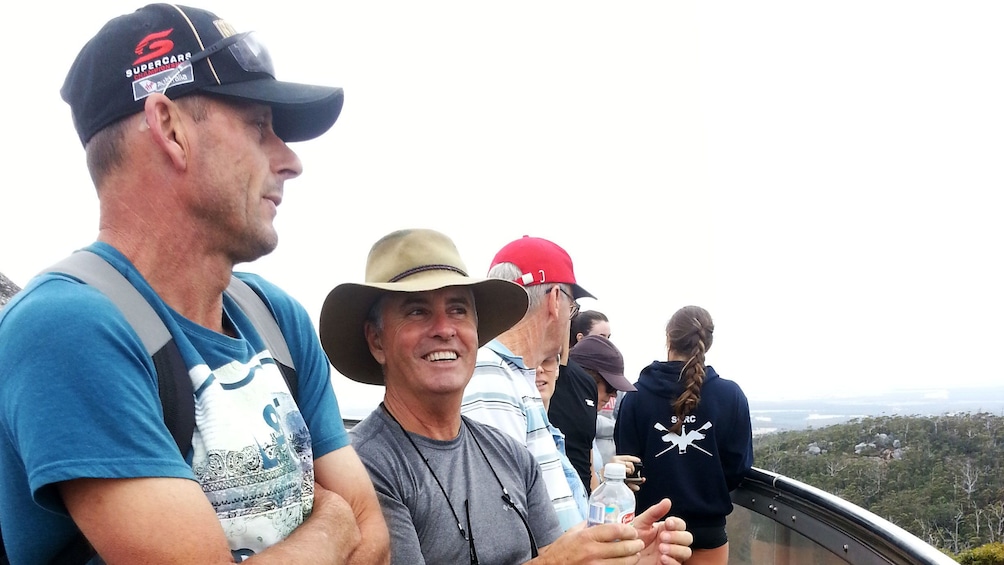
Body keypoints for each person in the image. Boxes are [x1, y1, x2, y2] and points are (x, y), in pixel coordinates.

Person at [0, 4, 388, 563]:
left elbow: (374, 536)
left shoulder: (275, 318)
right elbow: (351, 520)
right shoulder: (65, 330)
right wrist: (331, 522)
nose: (290, 161)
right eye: (260, 127)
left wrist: (351, 526)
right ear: (170, 129)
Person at [318, 228, 693, 565]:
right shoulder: (365, 470)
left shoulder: (511, 455)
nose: (445, 328)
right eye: (417, 311)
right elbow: (553, 560)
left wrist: (626, 557)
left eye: (458, 309)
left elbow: (556, 554)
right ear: (376, 339)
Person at [461, 235, 590, 531]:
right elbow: (504, 524)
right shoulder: (490, 377)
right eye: (573, 307)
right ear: (556, 300)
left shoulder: (512, 375)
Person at [615, 306, 754, 565]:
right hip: (707, 530)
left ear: (668, 338)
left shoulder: (635, 398)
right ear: (707, 343)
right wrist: (705, 485)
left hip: (650, 534)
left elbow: (628, 467)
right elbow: (737, 468)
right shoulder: (731, 396)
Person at [566, 335, 643, 491]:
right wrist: (603, 477)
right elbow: (575, 491)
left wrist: (611, 478)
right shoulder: (567, 425)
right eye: (610, 387)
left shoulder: (586, 422)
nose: (614, 395)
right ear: (585, 380)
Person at [548, 310, 611, 493]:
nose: (611, 396)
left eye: (608, 337)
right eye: (601, 337)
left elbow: (588, 463)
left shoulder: (584, 383)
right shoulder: (536, 380)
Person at [534, 355, 589, 521]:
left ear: (558, 369)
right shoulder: (516, 435)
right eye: (532, 362)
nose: (539, 369)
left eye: (547, 360)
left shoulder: (556, 438)